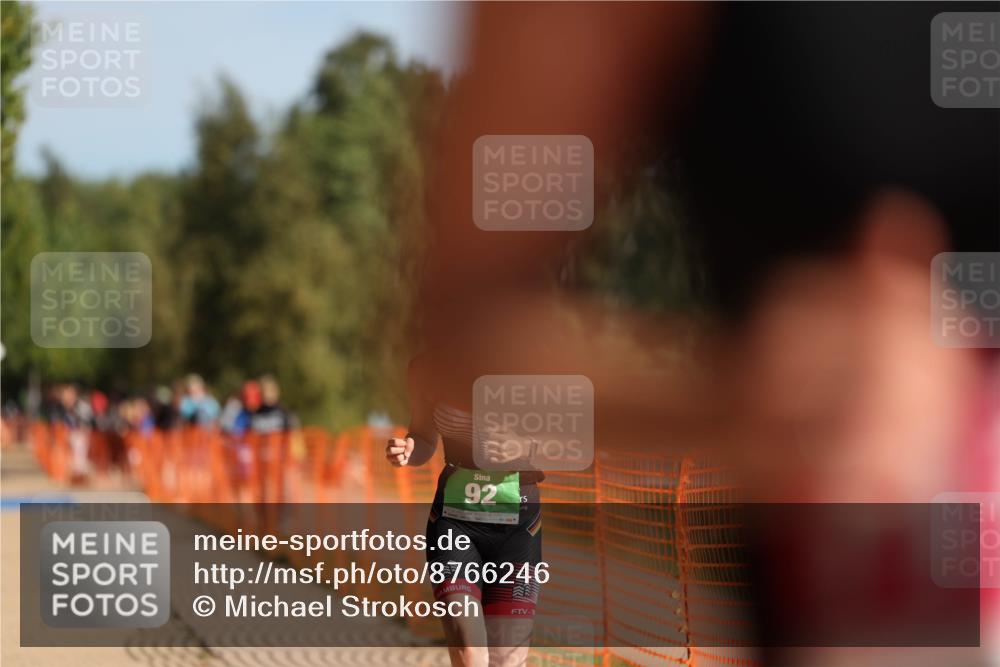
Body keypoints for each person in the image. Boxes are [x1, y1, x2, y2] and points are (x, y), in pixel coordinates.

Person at [386, 356, 543, 667]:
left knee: (507, 659)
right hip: (455, 523)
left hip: (517, 527)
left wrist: (521, 447)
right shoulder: (426, 367)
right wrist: (408, 450)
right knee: (470, 654)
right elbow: (423, 436)